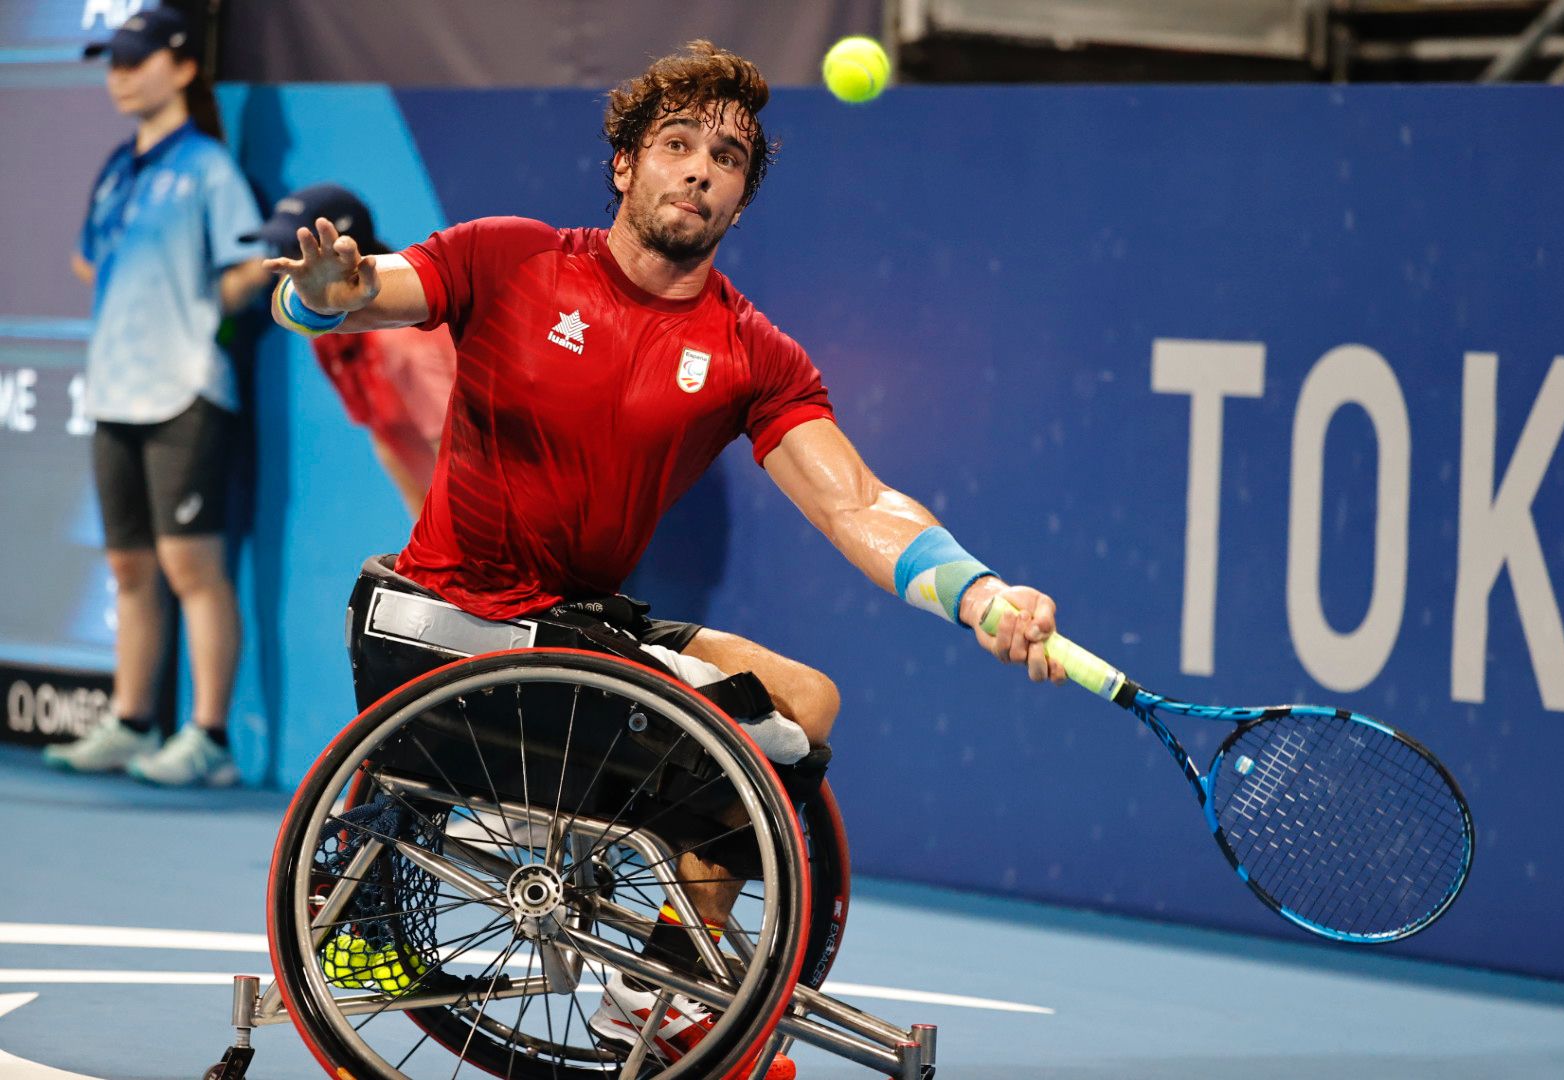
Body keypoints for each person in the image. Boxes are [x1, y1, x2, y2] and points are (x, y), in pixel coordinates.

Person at [267, 40, 1064, 1074]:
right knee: (739, 740)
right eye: (678, 144)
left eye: (727, 158)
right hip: (453, 627)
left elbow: (858, 500)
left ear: (740, 200)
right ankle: (649, 990)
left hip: (572, 629)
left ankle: (656, 979)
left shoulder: (750, 353)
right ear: (625, 167)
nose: (699, 168)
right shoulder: (506, 258)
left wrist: (981, 596)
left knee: (803, 705)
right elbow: (359, 292)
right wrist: (321, 295)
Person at [44, 7, 268, 787]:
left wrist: (229, 291)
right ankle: (133, 721)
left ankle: (208, 738)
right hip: (114, 392)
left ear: (180, 67)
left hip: (186, 392)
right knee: (129, 568)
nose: (120, 76)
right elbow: (85, 263)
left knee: (191, 570)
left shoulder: (206, 165)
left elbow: (246, 267)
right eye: (113, 62)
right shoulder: (118, 166)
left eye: (136, 61)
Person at [242, 184, 455, 517]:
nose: (281, 262)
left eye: (294, 250)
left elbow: (466, 460)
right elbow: (385, 436)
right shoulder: (329, 338)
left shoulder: (405, 342)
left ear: (341, 258)